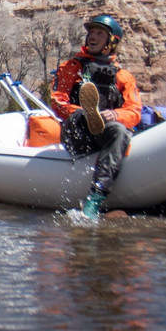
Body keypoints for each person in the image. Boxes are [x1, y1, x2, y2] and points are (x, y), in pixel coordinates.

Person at [50, 14, 142, 217]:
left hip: (104, 134)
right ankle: (90, 116)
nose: (92, 36)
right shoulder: (72, 67)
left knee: (119, 130)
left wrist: (116, 115)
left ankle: (96, 197)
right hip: (76, 131)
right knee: (85, 116)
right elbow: (57, 101)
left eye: (99, 33)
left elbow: (134, 111)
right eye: (91, 32)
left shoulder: (123, 76)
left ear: (111, 42)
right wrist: (83, 113)